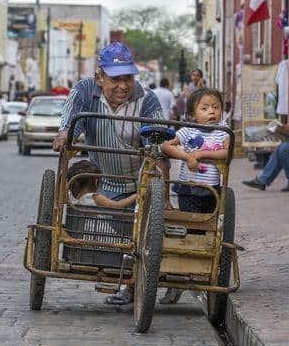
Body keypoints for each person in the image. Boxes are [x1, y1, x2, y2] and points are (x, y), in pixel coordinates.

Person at [52, 42, 165, 305]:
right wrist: (65, 133)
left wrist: (158, 146)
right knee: (111, 241)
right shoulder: (84, 91)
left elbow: (159, 137)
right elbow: (69, 118)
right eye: (115, 79)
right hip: (101, 181)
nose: (123, 86)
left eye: (128, 78)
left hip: (138, 181)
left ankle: (133, 286)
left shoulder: (147, 99)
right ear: (99, 77)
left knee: (141, 239)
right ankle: (120, 277)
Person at [160, 87, 230, 305]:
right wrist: (187, 157)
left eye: (216, 107)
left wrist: (200, 154)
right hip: (188, 190)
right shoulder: (187, 131)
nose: (212, 112)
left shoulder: (223, 132)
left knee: (208, 231)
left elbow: (226, 152)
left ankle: (203, 271)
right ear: (192, 113)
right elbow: (166, 146)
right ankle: (179, 279)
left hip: (212, 191)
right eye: (205, 108)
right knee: (189, 231)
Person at [67, 160, 138, 209]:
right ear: (96, 182)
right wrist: (135, 196)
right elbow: (117, 205)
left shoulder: (71, 197)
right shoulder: (95, 198)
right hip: (96, 226)